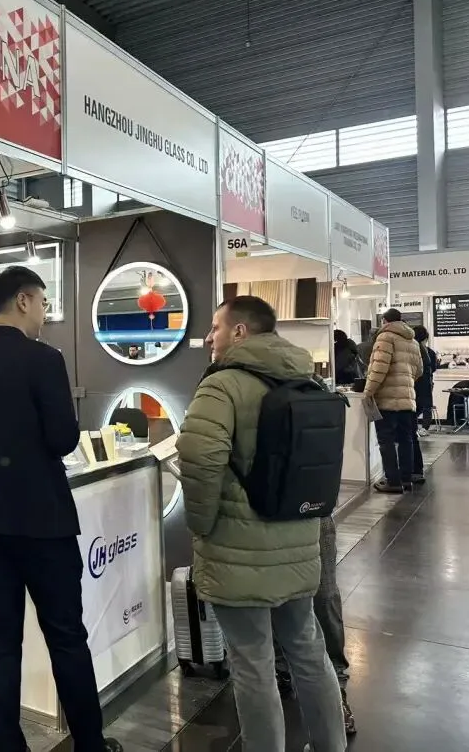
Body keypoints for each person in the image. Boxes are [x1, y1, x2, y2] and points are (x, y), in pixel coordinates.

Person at [0, 266, 122, 752]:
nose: (44, 313)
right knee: (66, 636)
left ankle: (8, 746)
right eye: (43, 303)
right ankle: (90, 745)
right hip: (43, 521)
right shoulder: (45, 360)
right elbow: (64, 438)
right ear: (23, 301)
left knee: (1, 639)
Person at [177, 295, 346, 752]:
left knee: (252, 662)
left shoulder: (222, 385)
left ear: (239, 332)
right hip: (298, 544)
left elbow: (199, 458)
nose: (208, 338)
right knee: (307, 648)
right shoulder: (306, 379)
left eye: (215, 327)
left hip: (237, 548)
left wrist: (201, 523)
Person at [275, 516, 356, 737]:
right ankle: (281, 670)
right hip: (265, 516)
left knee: (325, 597)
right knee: (274, 595)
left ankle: (336, 689)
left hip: (313, 511)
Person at [365, 309, 423, 494]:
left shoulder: (385, 337)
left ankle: (393, 481)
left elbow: (378, 369)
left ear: (384, 320)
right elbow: (419, 370)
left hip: (387, 399)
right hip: (408, 399)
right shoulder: (412, 341)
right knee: (406, 439)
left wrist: (368, 391)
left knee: (386, 440)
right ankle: (406, 479)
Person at [413, 325, 438, 439]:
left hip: (413, 382)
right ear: (425, 338)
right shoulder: (430, 352)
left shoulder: (410, 350)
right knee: (426, 405)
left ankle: (413, 427)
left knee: (414, 406)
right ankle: (424, 428)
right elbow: (433, 368)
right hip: (426, 382)